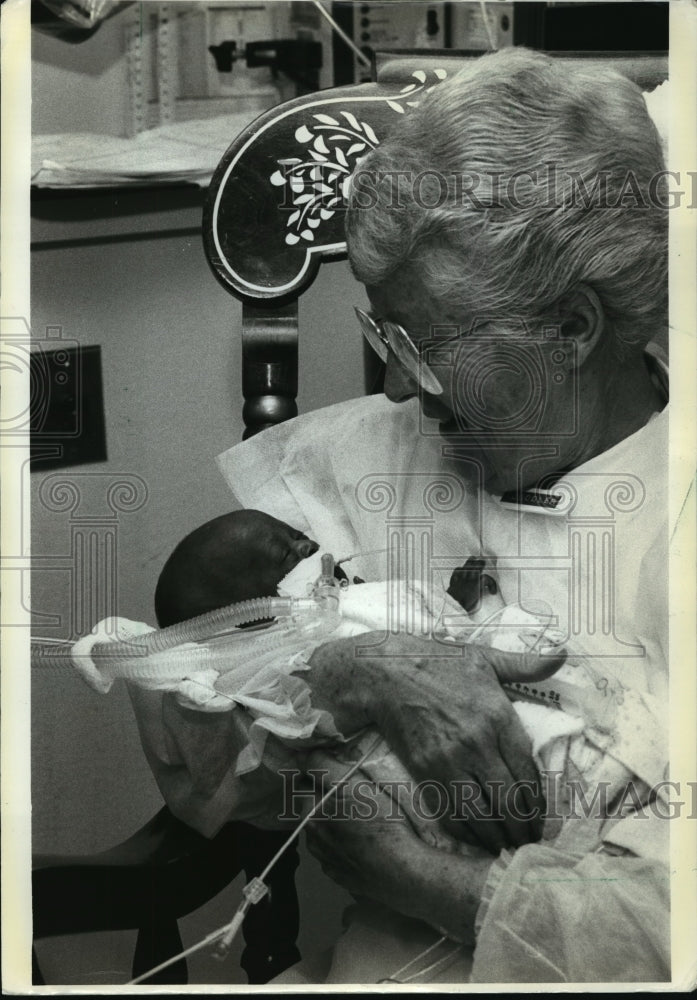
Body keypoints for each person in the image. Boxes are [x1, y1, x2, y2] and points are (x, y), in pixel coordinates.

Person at [130, 48, 678, 983]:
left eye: (426, 347)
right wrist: (349, 663)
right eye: (381, 336)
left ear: (574, 328)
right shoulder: (363, 459)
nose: (392, 385)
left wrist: (425, 881)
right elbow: (197, 757)